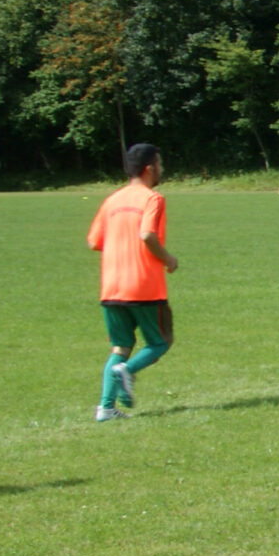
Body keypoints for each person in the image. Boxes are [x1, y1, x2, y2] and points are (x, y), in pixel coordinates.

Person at [89, 143, 178, 421]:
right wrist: (168, 258)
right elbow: (147, 234)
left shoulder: (112, 200)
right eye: (160, 164)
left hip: (111, 287)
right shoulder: (153, 199)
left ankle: (106, 408)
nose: (162, 169)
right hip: (143, 285)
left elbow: (94, 241)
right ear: (150, 168)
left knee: (120, 347)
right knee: (161, 341)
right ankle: (127, 371)